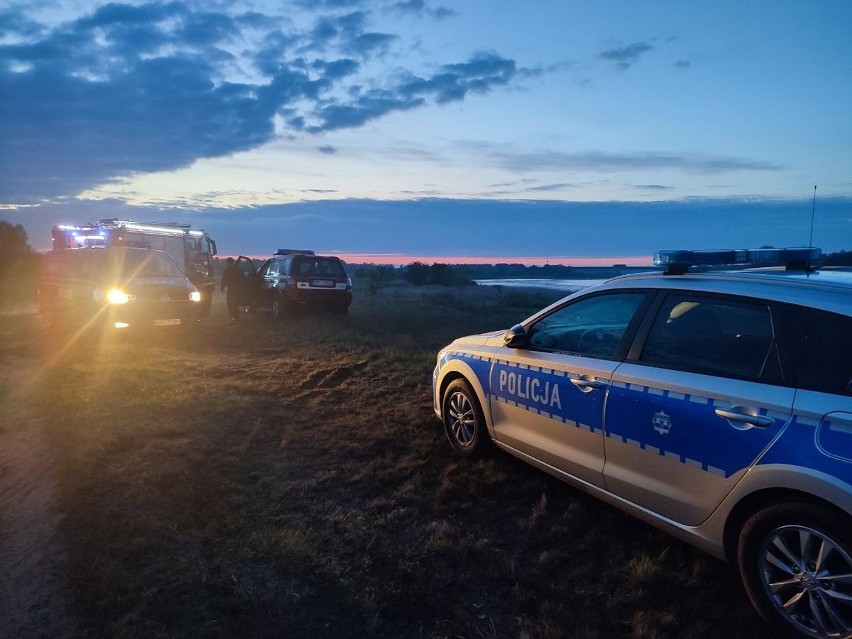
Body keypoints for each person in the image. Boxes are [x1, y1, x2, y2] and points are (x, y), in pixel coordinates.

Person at [220, 257, 245, 322]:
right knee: (235, 304)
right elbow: (243, 280)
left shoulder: (227, 271)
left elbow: (224, 281)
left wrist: (222, 288)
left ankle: (233, 317)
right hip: (236, 290)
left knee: (231, 304)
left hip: (231, 290)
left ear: (228, 263)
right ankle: (236, 317)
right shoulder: (238, 270)